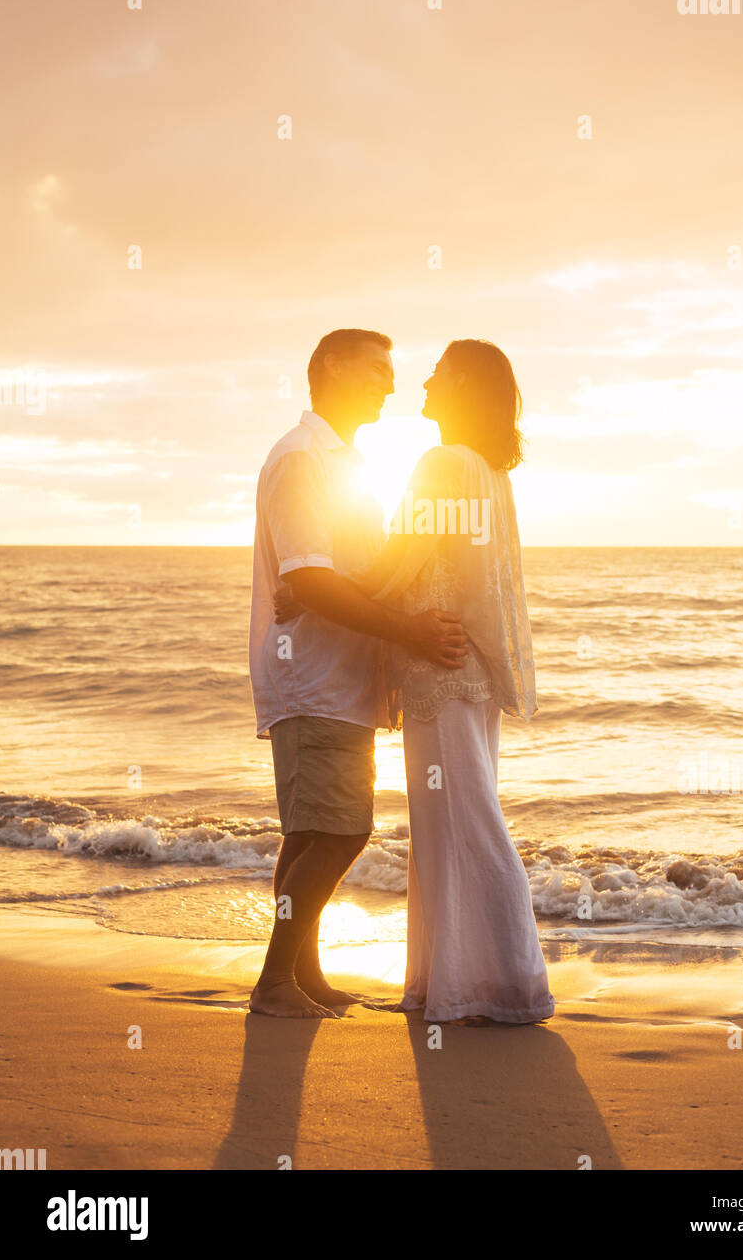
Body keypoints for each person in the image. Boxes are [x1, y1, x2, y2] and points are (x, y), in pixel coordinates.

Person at [277, 339, 554, 1025]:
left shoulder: (443, 464)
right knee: (461, 817)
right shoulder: (489, 471)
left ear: (464, 387)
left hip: (440, 671)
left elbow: (400, 559)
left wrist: (311, 592)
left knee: (461, 823)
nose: (424, 382)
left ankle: (501, 984)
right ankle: (457, 981)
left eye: (440, 373)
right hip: (468, 673)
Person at [248, 328, 468, 1018]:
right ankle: (275, 982)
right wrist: (408, 631)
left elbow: (357, 570)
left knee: (311, 831)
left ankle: (300, 976)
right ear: (333, 368)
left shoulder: (340, 461)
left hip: (334, 679)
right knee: (342, 831)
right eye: (377, 369)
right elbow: (310, 580)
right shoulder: (301, 460)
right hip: (314, 677)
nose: (390, 384)